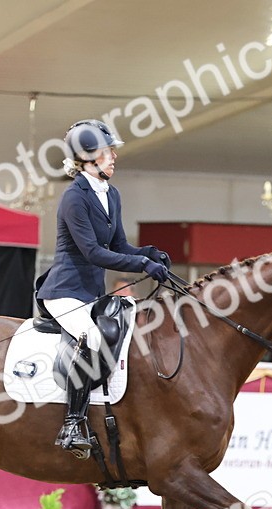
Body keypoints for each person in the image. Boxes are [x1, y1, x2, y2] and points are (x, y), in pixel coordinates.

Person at [35, 119, 172, 457]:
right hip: (64, 292)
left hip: (91, 294)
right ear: (87, 157)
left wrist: (148, 253)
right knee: (91, 339)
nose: (114, 157)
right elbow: (93, 253)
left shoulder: (111, 194)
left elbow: (119, 245)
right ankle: (72, 423)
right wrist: (142, 266)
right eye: (108, 151)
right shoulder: (74, 198)